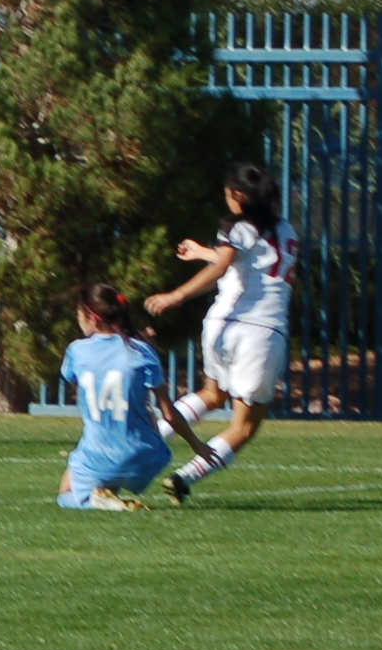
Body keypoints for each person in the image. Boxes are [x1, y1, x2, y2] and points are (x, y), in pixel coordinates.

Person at [143, 161, 299, 503]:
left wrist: (178, 293)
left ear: (238, 195)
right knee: (244, 426)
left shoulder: (236, 227)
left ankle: (149, 439)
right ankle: (184, 477)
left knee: (212, 395)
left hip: (220, 324)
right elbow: (251, 260)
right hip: (261, 331)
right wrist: (192, 273)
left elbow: (228, 262)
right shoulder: (287, 229)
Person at [55, 282, 195, 511]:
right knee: (146, 414)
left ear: (91, 318)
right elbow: (169, 414)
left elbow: (74, 378)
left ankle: (99, 503)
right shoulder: (142, 351)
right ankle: (108, 495)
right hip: (148, 459)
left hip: (98, 458)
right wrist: (198, 446)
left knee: (65, 495)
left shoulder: (77, 350)